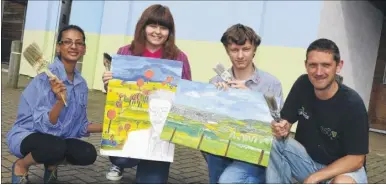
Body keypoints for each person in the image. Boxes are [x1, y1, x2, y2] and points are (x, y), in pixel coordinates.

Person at [102, 4, 192, 183]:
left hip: (159, 132)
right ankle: (119, 163)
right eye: (153, 26)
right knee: (120, 156)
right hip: (131, 124)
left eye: (164, 27)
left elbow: (186, 93)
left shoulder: (178, 58)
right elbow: (114, 94)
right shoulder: (126, 52)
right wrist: (108, 83)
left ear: (170, 31)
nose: (158, 32)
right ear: (143, 27)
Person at [7, 25, 103, 184]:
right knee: (55, 147)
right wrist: (59, 101)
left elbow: (79, 125)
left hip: (56, 138)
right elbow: (44, 126)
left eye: (79, 43)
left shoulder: (81, 84)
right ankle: (21, 165)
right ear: (59, 47)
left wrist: (108, 127)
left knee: (87, 153)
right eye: (67, 42)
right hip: (29, 133)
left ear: (84, 49)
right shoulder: (45, 79)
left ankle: (52, 164)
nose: (73, 46)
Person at [266, 38, 369, 184]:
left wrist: (315, 177)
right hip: (307, 162)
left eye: (326, 65)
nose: (319, 72)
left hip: (342, 170)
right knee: (272, 140)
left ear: (338, 66)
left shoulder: (353, 104)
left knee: (341, 183)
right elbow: (286, 121)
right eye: (313, 65)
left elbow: (357, 159)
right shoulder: (302, 84)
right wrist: (281, 128)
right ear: (306, 65)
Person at [206, 23, 283, 184]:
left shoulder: (271, 83)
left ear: (254, 49)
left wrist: (251, 97)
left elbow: (279, 125)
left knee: (228, 181)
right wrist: (215, 99)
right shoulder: (215, 82)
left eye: (246, 49)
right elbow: (208, 125)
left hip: (254, 152)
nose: (240, 55)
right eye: (234, 50)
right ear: (227, 51)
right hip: (222, 149)